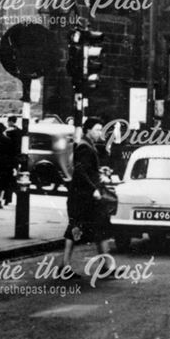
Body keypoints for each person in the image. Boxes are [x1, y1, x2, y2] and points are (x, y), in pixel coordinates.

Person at [62, 117, 113, 279]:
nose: (100, 133)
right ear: (88, 130)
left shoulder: (89, 146)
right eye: (97, 129)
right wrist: (94, 189)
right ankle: (64, 267)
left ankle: (106, 266)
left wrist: (100, 172)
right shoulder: (85, 147)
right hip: (83, 198)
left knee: (100, 227)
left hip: (86, 197)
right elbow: (80, 171)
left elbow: (88, 170)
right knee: (75, 229)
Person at [3, 115, 21, 206]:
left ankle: (7, 198)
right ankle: (9, 198)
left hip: (8, 158)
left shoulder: (8, 132)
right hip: (15, 158)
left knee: (7, 179)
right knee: (12, 178)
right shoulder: (19, 131)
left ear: (10, 121)